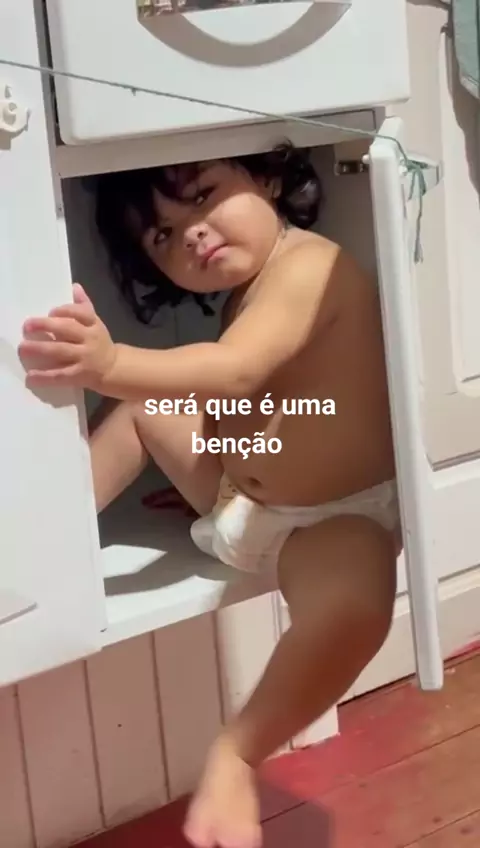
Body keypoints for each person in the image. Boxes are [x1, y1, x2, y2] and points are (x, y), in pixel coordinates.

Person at [19, 143, 401, 848]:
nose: (190, 232)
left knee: (355, 605)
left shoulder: (308, 264)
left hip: (333, 518)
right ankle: (37, 545)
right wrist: (216, 462)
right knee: (142, 412)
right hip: (240, 495)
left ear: (269, 178)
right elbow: (258, 408)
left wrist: (110, 363)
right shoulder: (245, 290)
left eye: (201, 196)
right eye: (161, 234)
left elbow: (235, 372)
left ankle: (238, 752)